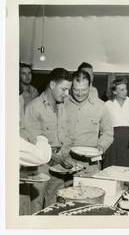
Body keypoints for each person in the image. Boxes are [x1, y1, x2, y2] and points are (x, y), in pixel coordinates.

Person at [23, 67, 73, 213]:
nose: (67, 94)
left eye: (68, 90)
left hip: (58, 167)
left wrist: (64, 154)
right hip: (39, 168)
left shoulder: (63, 107)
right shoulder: (33, 107)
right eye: (64, 89)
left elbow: (68, 135)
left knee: (54, 204)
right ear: (52, 85)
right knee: (36, 206)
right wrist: (55, 157)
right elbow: (32, 143)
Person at [62, 70, 114, 173]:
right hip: (65, 160)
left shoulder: (101, 106)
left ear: (90, 86)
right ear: (71, 86)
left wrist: (101, 146)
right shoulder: (63, 103)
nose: (80, 94)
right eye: (76, 90)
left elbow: (108, 133)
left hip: (90, 164)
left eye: (84, 90)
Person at [104, 77, 129, 169]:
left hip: (128, 138)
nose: (125, 92)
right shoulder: (108, 104)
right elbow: (104, 124)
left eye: (126, 89)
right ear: (115, 92)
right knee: (112, 165)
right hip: (112, 138)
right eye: (122, 90)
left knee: (126, 166)